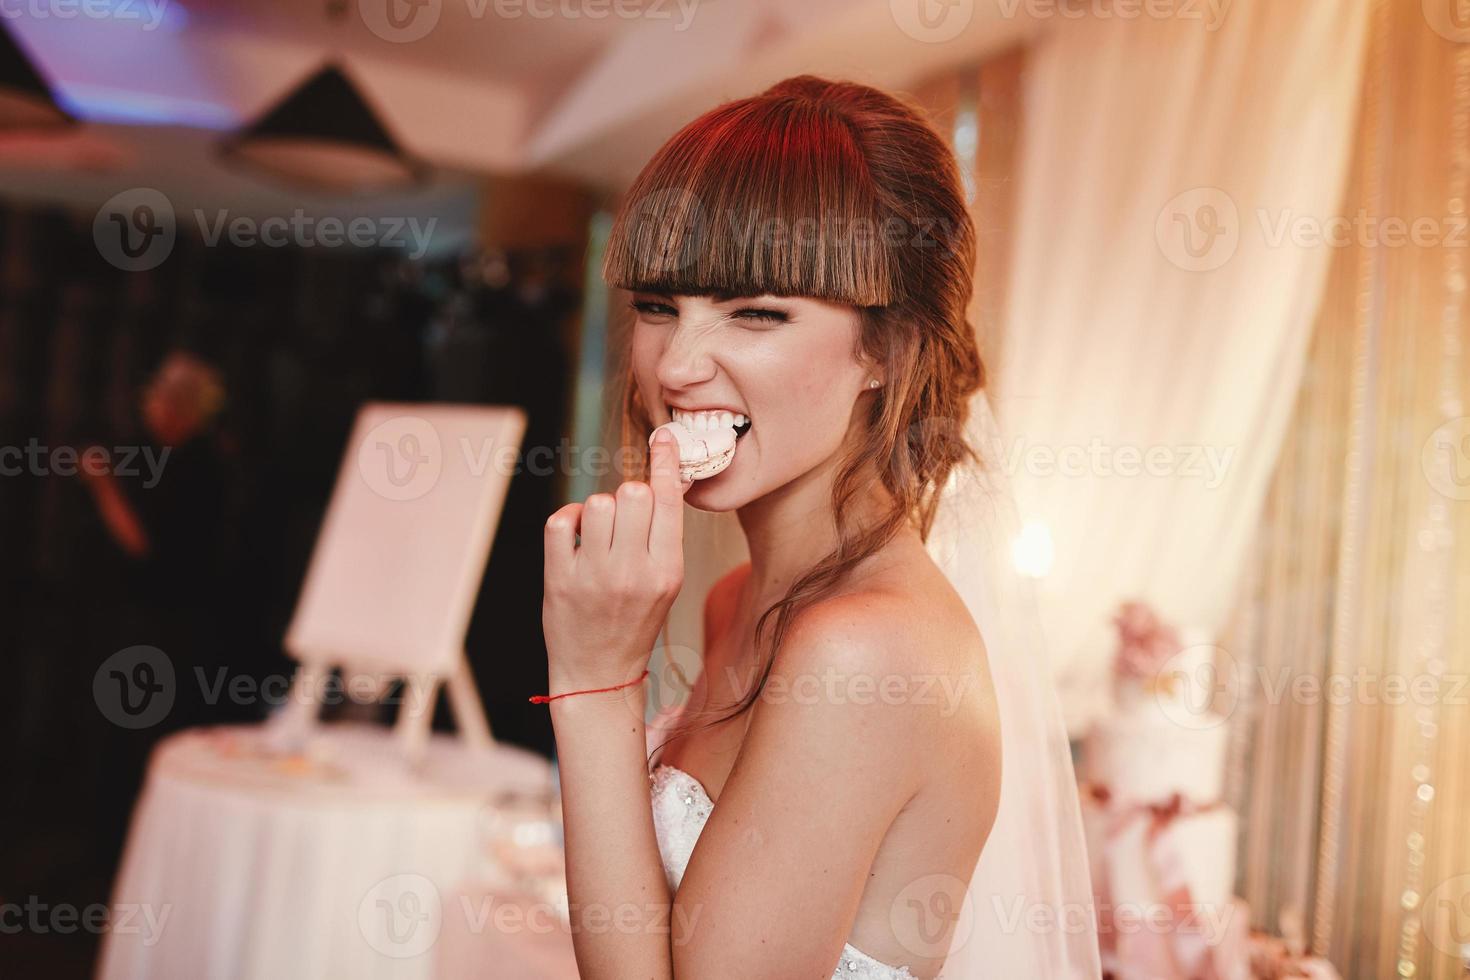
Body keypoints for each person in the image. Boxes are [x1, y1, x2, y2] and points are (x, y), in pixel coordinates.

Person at [541, 75, 1100, 978]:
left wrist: (596, 679)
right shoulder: (738, 600)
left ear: (886, 348)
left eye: (756, 312)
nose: (677, 366)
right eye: (657, 306)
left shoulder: (865, 651)